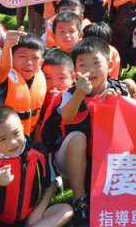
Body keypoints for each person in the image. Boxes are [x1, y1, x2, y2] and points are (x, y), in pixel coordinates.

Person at [56, 37, 132, 226]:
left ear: (109, 65)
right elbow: (67, 115)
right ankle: (80, 200)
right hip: (71, 159)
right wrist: (80, 94)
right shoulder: (70, 92)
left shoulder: (120, 90)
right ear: (75, 71)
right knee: (77, 138)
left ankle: (115, 193)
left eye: (96, 63)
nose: (90, 70)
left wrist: (118, 103)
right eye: (83, 64)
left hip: (108, 159)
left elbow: (133, 126)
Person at [0, 104, 72, 227]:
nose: (12, 142)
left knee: (66, 210)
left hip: (28, 217)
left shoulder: (38, 152)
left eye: (16, 133)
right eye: (2, 139)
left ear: (22, 128)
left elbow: (51, 183)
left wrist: (40, 208)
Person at [0, 32, 47, 138]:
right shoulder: (2, 77)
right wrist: (7, 46)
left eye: (35, 58)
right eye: (22, 56)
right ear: (11, 58)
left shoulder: (40, 79)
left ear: (41, 63)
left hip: (25, 140)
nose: (29, 62)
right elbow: (4, 69)